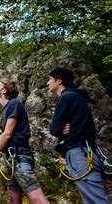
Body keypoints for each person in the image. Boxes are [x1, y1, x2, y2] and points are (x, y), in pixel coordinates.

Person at [0, 80, 48, 204]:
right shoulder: (7, 109)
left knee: (38, 199)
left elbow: (7, 134)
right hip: (14, 159)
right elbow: (11, 137)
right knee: (14, 200)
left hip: (19, 158)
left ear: (4, 90)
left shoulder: (14, 103)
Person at [47, 67, 109, 204]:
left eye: (50, 79)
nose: (47, 83)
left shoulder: (67, 97)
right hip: (87, 152)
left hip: (79, 153)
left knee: (96, 201)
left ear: (58, 80)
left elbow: (54, 129)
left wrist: (60, 127)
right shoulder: (76, 97)